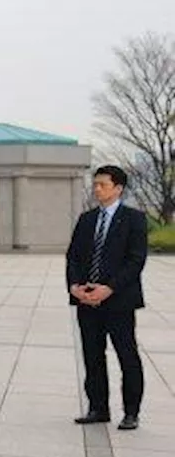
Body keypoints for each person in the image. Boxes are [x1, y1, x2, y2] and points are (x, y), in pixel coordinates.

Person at [67, 164, 148, 430]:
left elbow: (135, 261)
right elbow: (73, 257)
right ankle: (98, 408)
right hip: (86, 300)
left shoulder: (134, 219)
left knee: (127, 355)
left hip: (119, 301)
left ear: (118, 188)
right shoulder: (87, 219)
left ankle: (131, 412)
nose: (97, 188)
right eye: (96, 184)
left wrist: (108, 288)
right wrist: (75, 286)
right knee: (92, 355)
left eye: (102, 184)